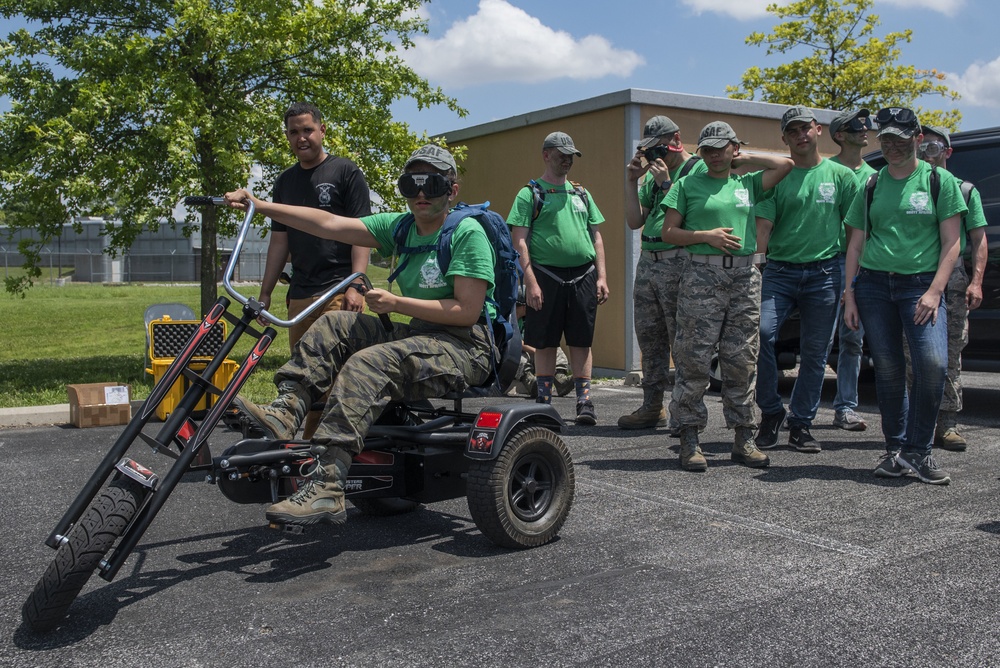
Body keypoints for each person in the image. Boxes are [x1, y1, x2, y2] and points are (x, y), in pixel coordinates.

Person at [224, 144, 497, 525]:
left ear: (451, 190)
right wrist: (260, 204)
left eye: (431, 184)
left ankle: (328, 486)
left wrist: (398, 303)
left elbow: (466, 312)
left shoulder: (467, 234)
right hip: (418, 335)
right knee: (335, 324)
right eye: (410, 184)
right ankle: (286, 412)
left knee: (370, 361)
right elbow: (328, 223)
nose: (420, 194)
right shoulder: (402, 227)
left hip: (464, 346)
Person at [842, 108, 965, 485]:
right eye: (886, 139)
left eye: (900, 137)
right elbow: (856, 244)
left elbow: (952, 242)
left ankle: (919, 451)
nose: (891, 145)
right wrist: (849, 295)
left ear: (917, 138)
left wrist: (934, 291)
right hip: (874, 287)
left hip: (920, 286)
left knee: (932, 364)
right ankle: (896, 450)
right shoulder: (871, 185)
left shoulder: (938, 181)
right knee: (890, 370)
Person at [661, 121, 793, 471]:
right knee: (694, 358)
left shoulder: (748, 183)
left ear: (734, 148)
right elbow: (669, 232)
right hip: (701, 275)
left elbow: (785, 165)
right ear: (700, 152)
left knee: (742, 359)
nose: (715, 155)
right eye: (708, 149)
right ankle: (689, 438)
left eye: (722, 148)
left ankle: (743, 437)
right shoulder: (687, 184)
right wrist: (706, 235)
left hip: (745, 277)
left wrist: (744, 157)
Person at [260, 102, 373, 438]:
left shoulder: (345, 172)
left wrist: (356, 284)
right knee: (305, 376)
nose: (301, 138)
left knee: (338, 377)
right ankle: (308, 448)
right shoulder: (285, 183)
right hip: (301, 295)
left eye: (307, 130)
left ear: (322, 130)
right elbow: (279, 243)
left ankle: (335, 447)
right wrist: (266, 292)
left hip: (340, 290)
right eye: (294, 132)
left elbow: (361, 233)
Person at [754, 106, 859, 454]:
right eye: (792, 131)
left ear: (818, 130)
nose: (800, 135)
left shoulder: (841, 176)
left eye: (805, 128)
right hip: (779, 272)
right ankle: (771, 413)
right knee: (763, 335)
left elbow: (854, 230)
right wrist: (754, 268)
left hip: (825, 273)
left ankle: (801, 424)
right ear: (784, 138)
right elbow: (763, 228)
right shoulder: (778, 176)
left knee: (815, 353)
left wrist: (850, 282)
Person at [507, 131, 609, 425]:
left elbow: (597, 238)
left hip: (583, 276)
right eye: (561, 155)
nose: (566, 160)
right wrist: (530, 281)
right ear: (546, 155)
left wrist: (602, 276)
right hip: (545, 275)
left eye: (570, 156)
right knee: (545, 341)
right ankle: (543, 402)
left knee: (581, 340)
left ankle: (584, 402)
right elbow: (520, 241)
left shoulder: (582, 194)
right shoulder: (530, 193)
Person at [619, 115, 706, 432]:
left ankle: (685, 412)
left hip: (679, 261)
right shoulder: (655, 176)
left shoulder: (696, 170)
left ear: (676, 140)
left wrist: (666, 184)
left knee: (681, 341)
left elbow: (692, 217)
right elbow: (633, 220)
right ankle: (652, 406)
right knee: (650, 339)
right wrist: (632, 181)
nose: (656, 157)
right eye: (650, 151)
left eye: (659, 149)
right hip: (649, 261)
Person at [916, 124, 988, 451]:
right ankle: (915, 424)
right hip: (914, 279)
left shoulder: (966, 190)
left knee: (950, 353)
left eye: (934, 146)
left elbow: (978, 239)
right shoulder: (908, 187)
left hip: (954, 286)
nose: (927, 152)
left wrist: (976, 281)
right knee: (913, 353)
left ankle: (947, 425)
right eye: (922, 146)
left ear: (948, 151)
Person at [827, 108, 878, 432]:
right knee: (817, 343)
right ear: (839, 135)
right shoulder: (825, 170)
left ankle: (845, 407)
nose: (865, 129)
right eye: (856, 126)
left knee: (852, 339)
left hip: (862, 267)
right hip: (827, 264)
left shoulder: (875, 176)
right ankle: (800, 411)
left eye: (866, 125)